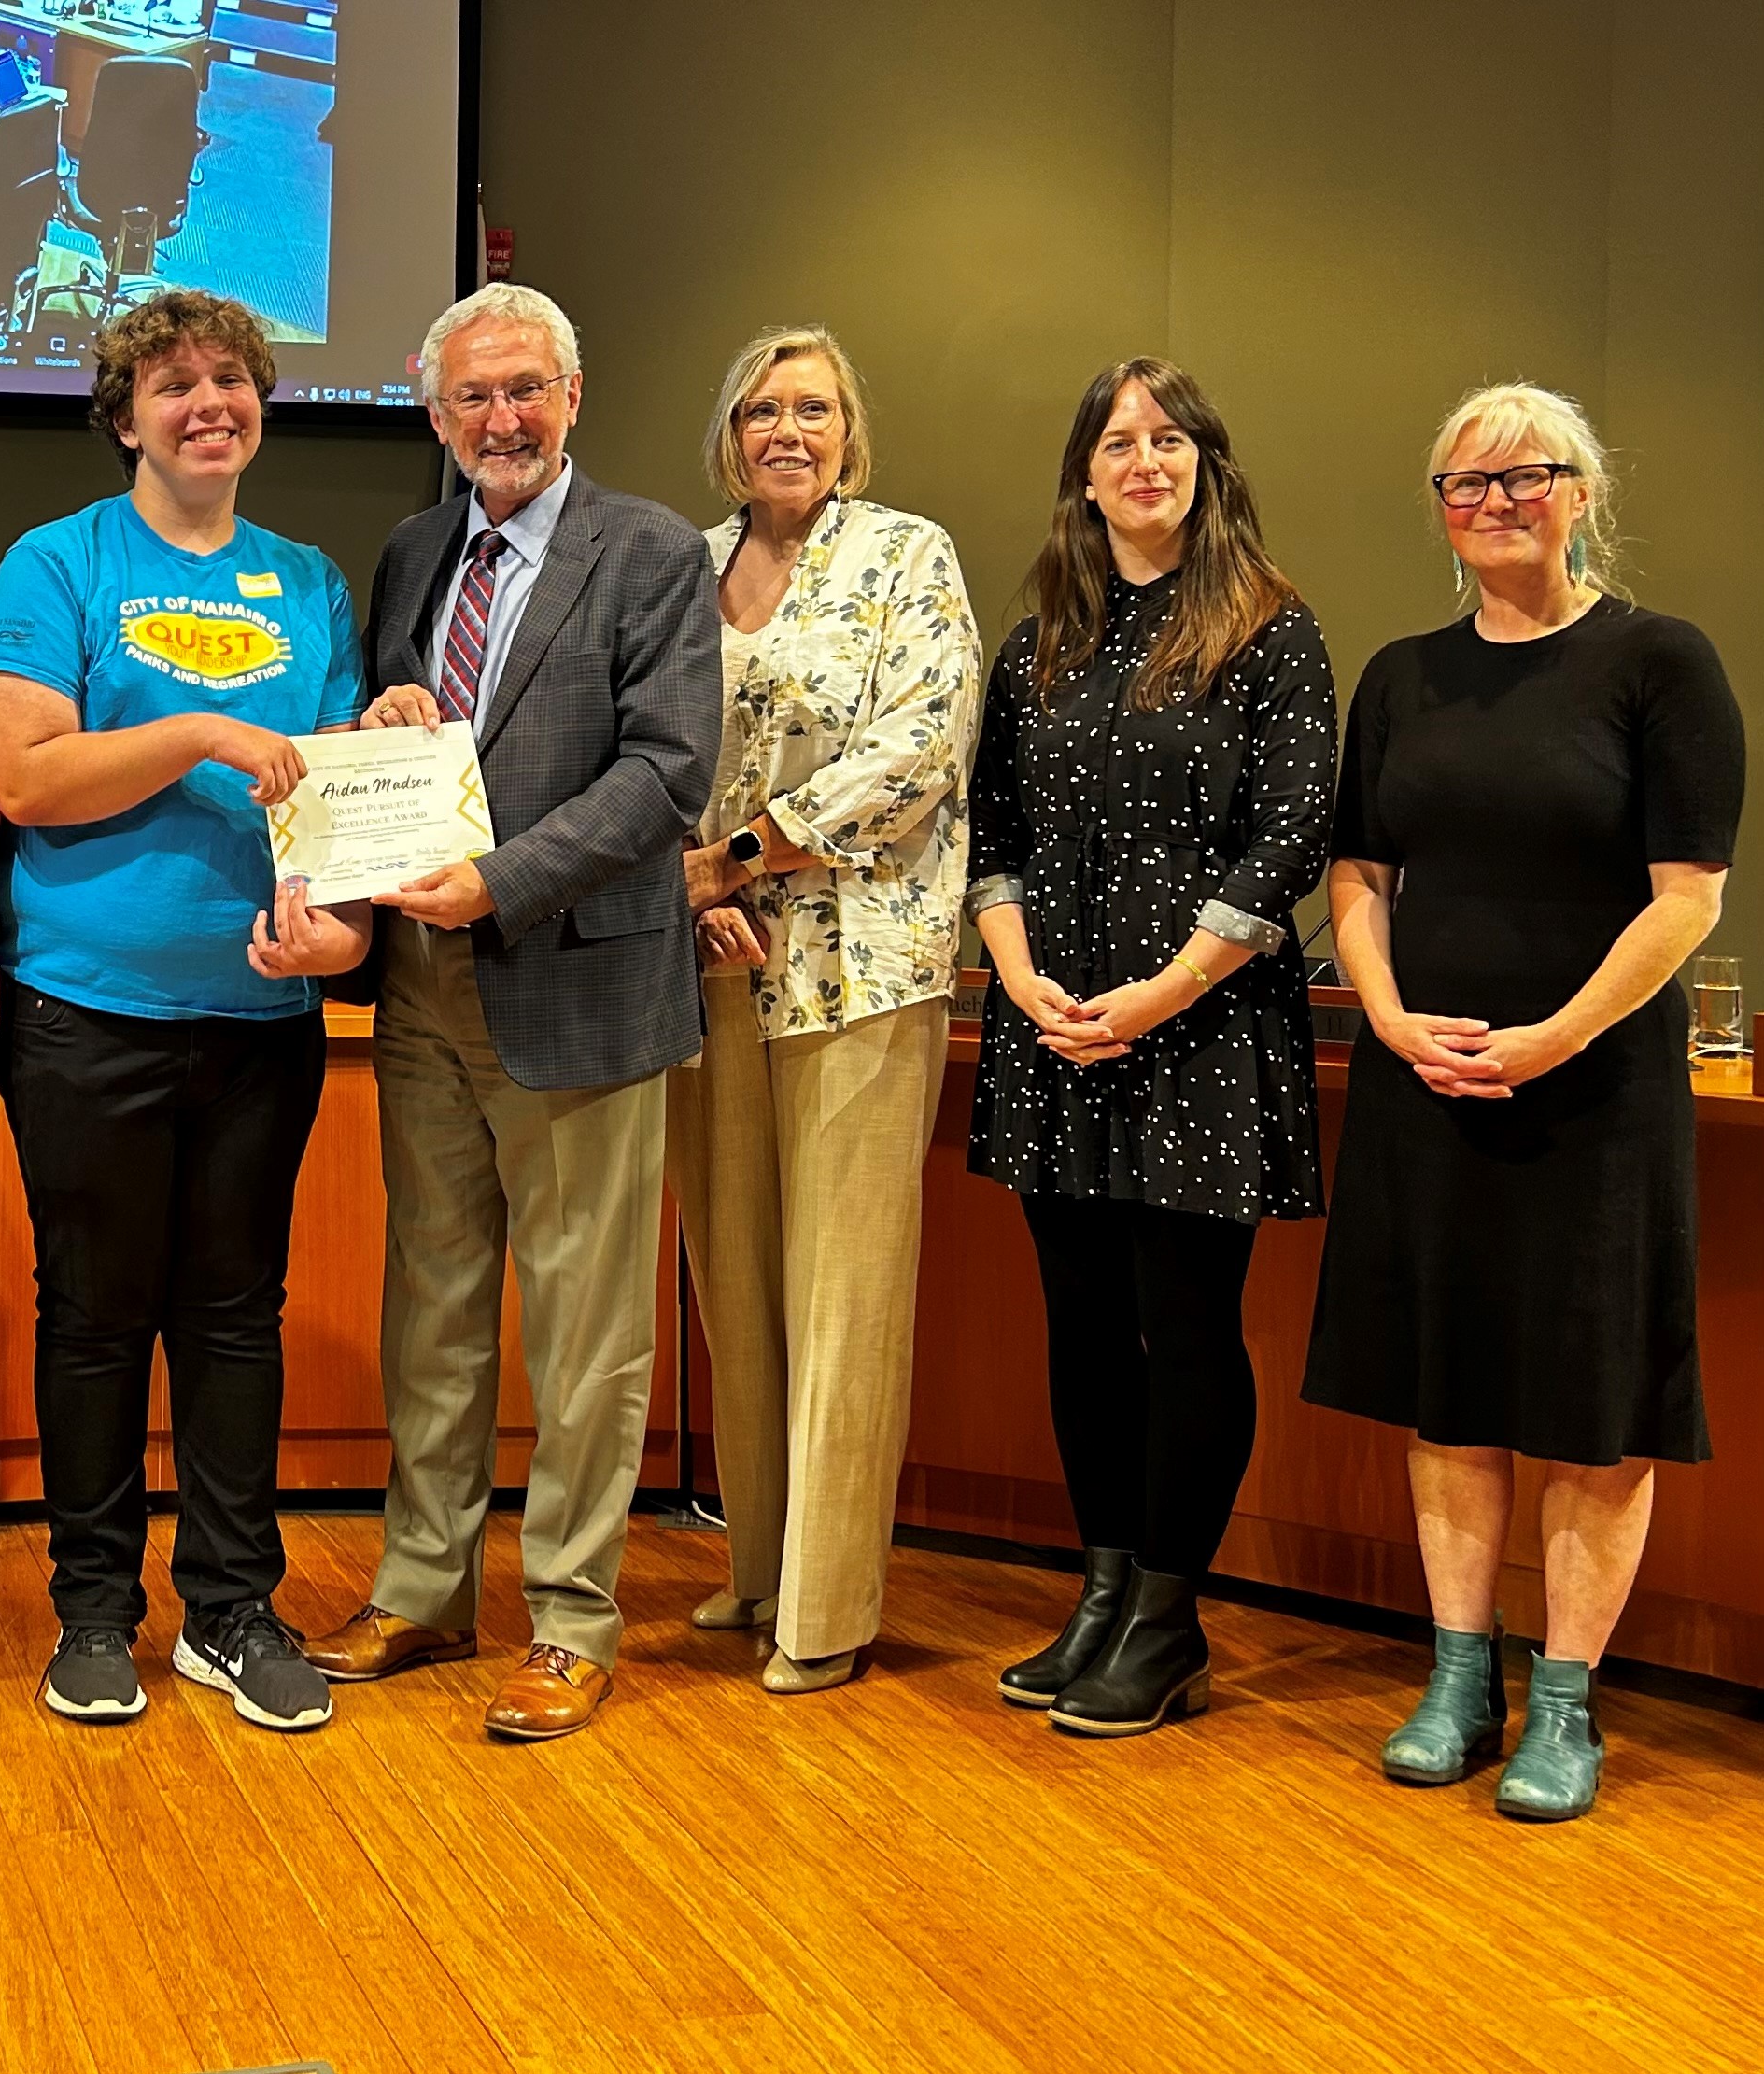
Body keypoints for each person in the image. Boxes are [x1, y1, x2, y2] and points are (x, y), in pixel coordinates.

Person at [1304, 384, 1743, 1821]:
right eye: (1461, 482)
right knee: (1450, 1392)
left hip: (1593, 1092)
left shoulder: (1657, 663)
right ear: (1435, 509)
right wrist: (1381, 1015)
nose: (1491, 502)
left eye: (1523, 476)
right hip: (1425, 1082)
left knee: (1587, 1408)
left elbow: (1688, 901)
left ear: (1579, 492)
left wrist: (1551, 1036)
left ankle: (1565, 1704)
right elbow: (1356, 879)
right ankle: (1455, 1675)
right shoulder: (1399, 676)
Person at [291, 285, 718, 1742]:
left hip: (580, 980)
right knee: (435, 1304)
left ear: (574, 395)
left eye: (526, 388)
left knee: (589, 1327)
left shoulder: (649, 551)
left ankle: (574, 1618)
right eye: (472, 397)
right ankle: (421, 1587)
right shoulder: (414, 550)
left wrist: (500, 879)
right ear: (433, 413)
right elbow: (383, 746)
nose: (502, 419)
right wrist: (374, 724)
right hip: (420, 990)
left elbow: (667, 775)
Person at [0, 289, 367, 1734]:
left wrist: (341, 927)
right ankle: (91, 1614)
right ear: (123, 415)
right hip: (89, 1007)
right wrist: (199, 730)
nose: (208, 404)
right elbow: (22, 779)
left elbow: (328, 793)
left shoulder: (310, 581)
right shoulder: (57, 564)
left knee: (232, 1320)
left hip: (261, 1022)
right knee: (90, 1316)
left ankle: (229, 1610)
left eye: (231, 381)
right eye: (173, 384)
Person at [967, 358, 1336, 1737]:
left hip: (1200, 1034)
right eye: (1116, 441)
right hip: (1053, 1032)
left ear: (1205, 465)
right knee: (1080, 1332)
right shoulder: (1042, 642)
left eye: (1167, 439)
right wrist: (1024, 983)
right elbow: (987, 830)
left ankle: (1170, 1619)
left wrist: (1157, 994)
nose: (1142, 460)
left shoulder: (1268, 629)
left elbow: (1291, 833)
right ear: (1082, 473)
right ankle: (1103, 1590)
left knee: (1181, 1331)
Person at [668, 327, 982, 1695]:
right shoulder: (678, 566)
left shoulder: (907, 556)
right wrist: (691, 890)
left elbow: (920, 744)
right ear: (727, 433)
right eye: (759, 408)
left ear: (848, 433)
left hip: (858, 962)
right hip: (704, 959)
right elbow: (647, 743)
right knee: (731, 1275)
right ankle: (756, 1567)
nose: (783, 430)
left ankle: (828, 1606)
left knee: (842, 1293)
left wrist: (745, 853)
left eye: (811, 408)